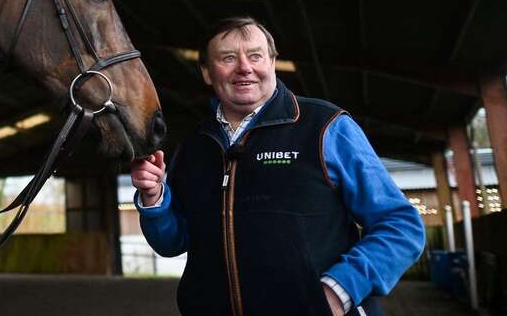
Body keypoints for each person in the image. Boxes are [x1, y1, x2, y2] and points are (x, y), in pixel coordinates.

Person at [131, 17, 425, 316]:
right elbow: (173, 242)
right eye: (228, 58)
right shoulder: (195, 147)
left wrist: (339, 290)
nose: (244, 67)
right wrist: (154, 198)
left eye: (255, 55)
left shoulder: (324, 126)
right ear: (207, 72)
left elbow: (401, 225)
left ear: (272, 62)